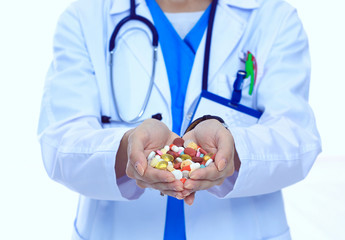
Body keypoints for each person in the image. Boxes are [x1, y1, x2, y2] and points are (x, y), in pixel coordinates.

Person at [37, 0, 322, 239]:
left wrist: (233, 150)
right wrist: (126, 148)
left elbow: (297, 138)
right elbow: (59, 141)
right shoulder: (86, 17)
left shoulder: (273, 16)